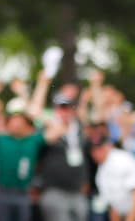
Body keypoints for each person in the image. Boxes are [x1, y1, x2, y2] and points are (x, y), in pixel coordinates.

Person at [38, 92, 90, 221]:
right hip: (54, 190)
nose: (64, 111)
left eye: (67, 107)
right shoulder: (46, 128)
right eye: (61, 107)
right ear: (55, 109)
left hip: (77, 191)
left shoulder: (78, 130)